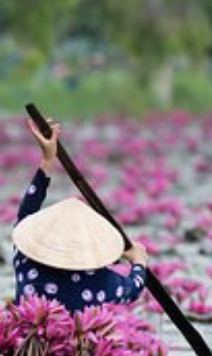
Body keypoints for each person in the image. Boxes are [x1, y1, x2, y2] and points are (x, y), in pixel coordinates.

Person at [12, 119, 149, 312]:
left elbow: (25, 217)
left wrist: (48, 160)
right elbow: (133, 288)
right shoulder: (105, 281)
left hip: (28, 339)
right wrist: (138, 261)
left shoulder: (26, 261)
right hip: (77, 342)